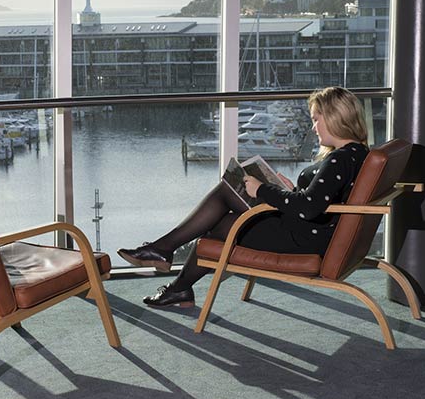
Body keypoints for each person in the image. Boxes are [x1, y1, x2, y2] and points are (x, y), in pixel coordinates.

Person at [118, 86, 370, 308]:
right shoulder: (356, 154)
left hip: (303, 238)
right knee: (222, 222)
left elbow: (309, 209)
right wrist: (289, 190)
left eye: (316, 119)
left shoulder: (340, 158)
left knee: (228, 193)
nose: (314, 127)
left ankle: (164, 254)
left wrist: (262, 189)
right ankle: (174, 278)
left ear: (335, 117)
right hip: (308, 231)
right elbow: (320, 201)